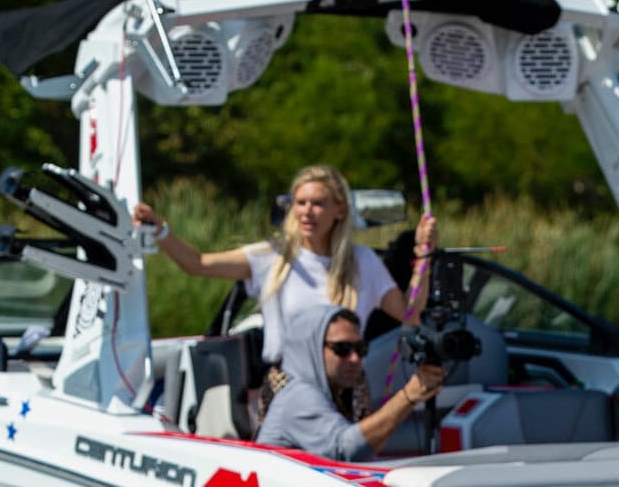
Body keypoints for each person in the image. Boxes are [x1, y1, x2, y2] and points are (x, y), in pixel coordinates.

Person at [133, 164, 438, 421]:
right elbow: (197, 264)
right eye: (300, 203)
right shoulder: (273, 257)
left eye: (318, 203)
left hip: (345, 388)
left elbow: (410, 315)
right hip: (287, 387)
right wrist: (161, 230)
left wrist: (423, 256)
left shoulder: (363, 262)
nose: (307, 212)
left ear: (340, 210)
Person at [257, 304, 445, 461]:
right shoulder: (298, 395)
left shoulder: (334, 391)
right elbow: (345, 451)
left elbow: (369, 446)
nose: (355, 358)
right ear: (310, 348)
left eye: (360, 348)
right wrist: (408, 396)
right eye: (342, 348)